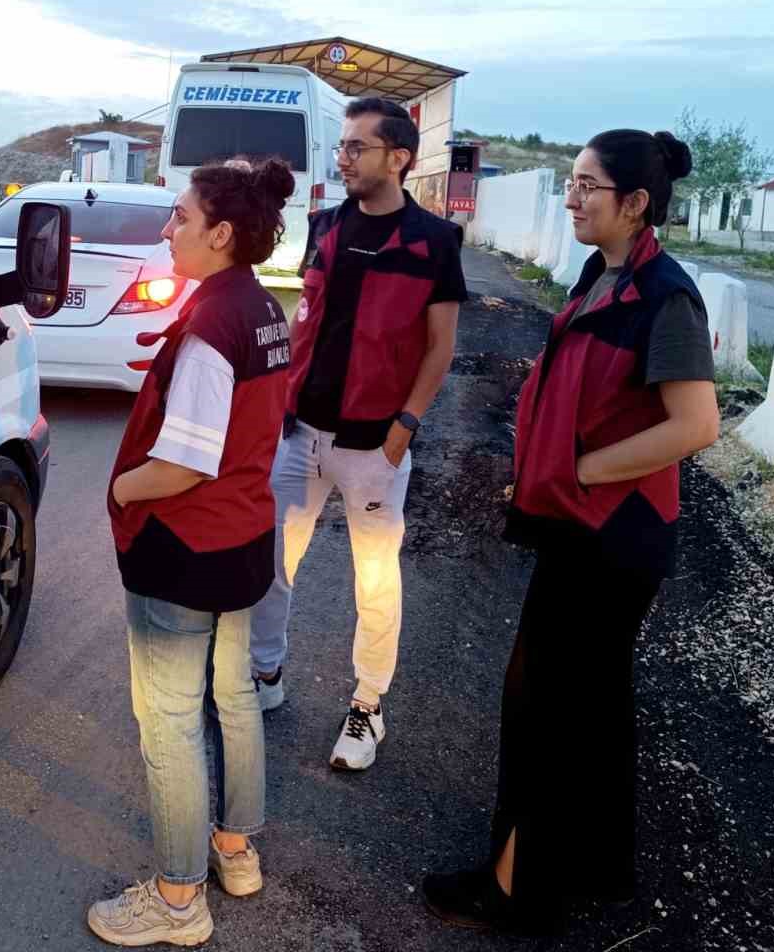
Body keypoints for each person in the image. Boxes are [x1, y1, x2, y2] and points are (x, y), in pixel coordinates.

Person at [423, 129, 721, 937]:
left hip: (613, 538)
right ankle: (593, 868)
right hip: (578, 524)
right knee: (590, 706)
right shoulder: (603, 275)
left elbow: (696, 424)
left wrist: (580, 470)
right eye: (571, 182)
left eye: (589, 185)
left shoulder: (667, 295)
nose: (572, 197)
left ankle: (518, 892)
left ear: (635, 203)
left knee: (543, 708)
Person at [89, 159, 296, 948]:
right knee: (234, 698)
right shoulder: (259, 306)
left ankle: (177, 900)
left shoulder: (215, 324)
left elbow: (185, 461)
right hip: (243, 537)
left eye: (179, 217)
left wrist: (124, 491)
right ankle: (235, 852)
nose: (167, 229)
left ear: (220, 233)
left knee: (170, 722)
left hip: (189, 546)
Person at [248, 96, 466, 772]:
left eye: (357, 147)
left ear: (399, 158)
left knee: (375, 581)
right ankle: (265, 675)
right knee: (270, 565)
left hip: (375, 447)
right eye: (341, 145)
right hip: (300, 433)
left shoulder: (434, 242)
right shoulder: (323, 226)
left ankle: (368, 707)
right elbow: (306, 317)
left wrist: (405, 426)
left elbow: (440, 346)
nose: (342, 157)